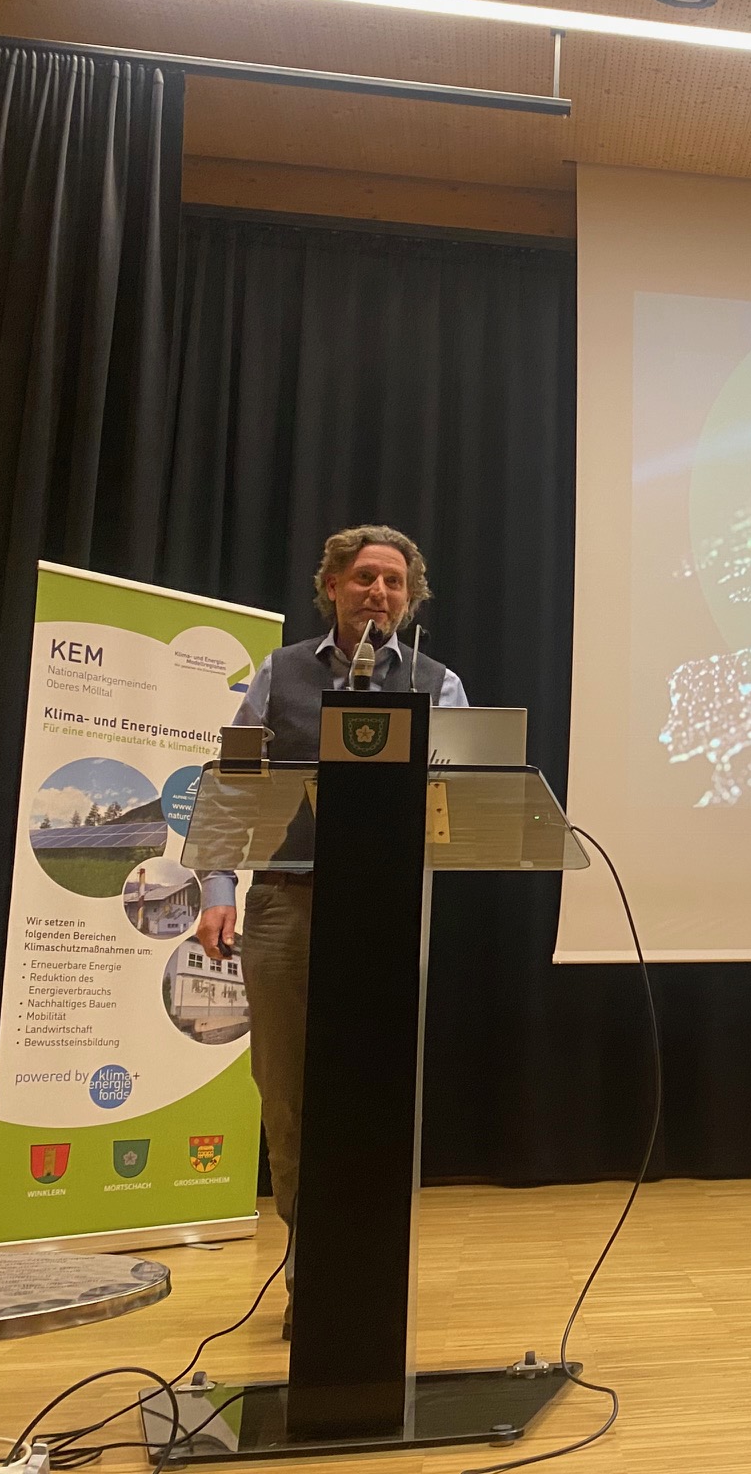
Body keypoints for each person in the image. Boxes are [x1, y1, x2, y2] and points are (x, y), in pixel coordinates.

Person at [196, 525, 467, 1336]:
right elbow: (234, 784)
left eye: (394, 581)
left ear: (410, 598)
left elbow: (461, 796)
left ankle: (368, 1274)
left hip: (387, 912)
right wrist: (218, 887)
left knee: (377, 1098)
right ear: (333, 588)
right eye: (363, 578)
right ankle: (310, 1274)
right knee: (289, 1102)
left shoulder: (439, 684)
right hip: (287, 904)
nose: (379, 592)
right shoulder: (278, 674)